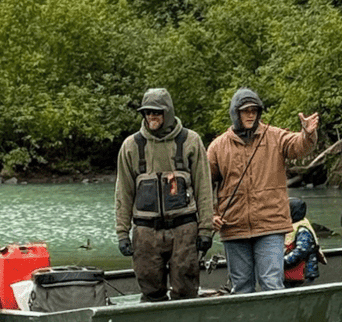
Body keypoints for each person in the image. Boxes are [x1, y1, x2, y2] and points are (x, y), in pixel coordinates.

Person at [207, 88, 319, 293]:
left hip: (270, 225)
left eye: (254, 110)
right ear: (235, 113)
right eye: (245, 110)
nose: (250, 114)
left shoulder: (275, 137)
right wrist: (211, 214)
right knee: (241, 286)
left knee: (271, 282)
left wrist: (308, 134)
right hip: (233, 227)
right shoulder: (217, 147)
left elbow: (298, 146)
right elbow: (204, 186)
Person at [115, 88, 214, 301]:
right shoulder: (131, 146)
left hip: (184, 229)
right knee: (150, 287)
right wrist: (122, 233)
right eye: (147, 112)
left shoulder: (191, 141)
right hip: (145, 232)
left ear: (167, 113)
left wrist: (206, 229)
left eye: (157, 112)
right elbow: (123, 192)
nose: (152, 117)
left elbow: (204, 188)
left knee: (186, 288)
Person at [283, 197, 321, 287]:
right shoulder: (292, 228)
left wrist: (282, 261)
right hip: (291, 274)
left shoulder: (303, 230)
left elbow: (301, 251)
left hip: (304, 275)